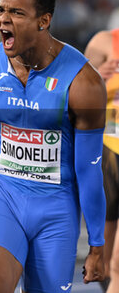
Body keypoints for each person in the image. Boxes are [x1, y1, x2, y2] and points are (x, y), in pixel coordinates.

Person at [0, 0, 106, 293]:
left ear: (43, 20)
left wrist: (97, 246)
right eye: (1, 10)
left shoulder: (83, 82)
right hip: (1, 195)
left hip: (56, 207)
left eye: (16, 13)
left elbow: (89, 170)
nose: (4, 18)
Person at [85, 29, 119, 292]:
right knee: (104, 264)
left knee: (117, 264)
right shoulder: (104, 41)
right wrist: (98, 77)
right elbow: (80, 96)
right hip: (107, 152)